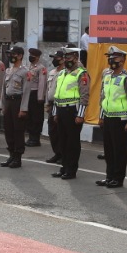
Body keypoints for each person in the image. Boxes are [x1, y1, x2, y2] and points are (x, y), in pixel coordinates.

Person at [95, 46, 127, 188]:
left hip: (121, 119)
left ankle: (118, 178)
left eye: (115, 58)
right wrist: (101, 116)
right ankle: (109, 176)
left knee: (119, 150)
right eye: (110, 57)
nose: (111, 60)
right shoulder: (107, 76)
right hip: (107, 117)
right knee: (108, 149)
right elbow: (103, 97)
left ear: (123, 60)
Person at [50, 46, 89, 180]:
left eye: (69, 57)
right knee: (62, 141)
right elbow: (57, 94)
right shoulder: (62, 73)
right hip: (61, 109)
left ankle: (71, 170)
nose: (67, 60)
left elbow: (84, 96)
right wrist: (55, 112)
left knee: (72, 142)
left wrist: (80, 115)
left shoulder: (81, 73)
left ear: (76, 58)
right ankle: (64, 168)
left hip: (72, 110)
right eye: (65, 58)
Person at [0, 46, 30, 168]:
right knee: (8, 130)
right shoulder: (8, 71)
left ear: (20, 56)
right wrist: (2, 105)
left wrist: (23, 109)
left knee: (18, 130)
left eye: (14, 54)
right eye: (10, 54)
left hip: (18, 102)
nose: (11, 56)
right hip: (9, 102)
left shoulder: (25, 72)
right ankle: (11, 155)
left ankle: (18, 157)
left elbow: (26, 91)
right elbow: (3, 89)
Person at [25, 47, 47, 147]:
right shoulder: (28, 67)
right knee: (29, 116)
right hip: (28, 94)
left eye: (33, 55)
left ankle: (35, 138)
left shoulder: (41, 68)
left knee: (36, 117)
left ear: (37, 57)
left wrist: (40, 97)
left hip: (36, 94)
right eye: (30, 55)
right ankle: (30, 137)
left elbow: (42, 83)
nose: (31, 57)